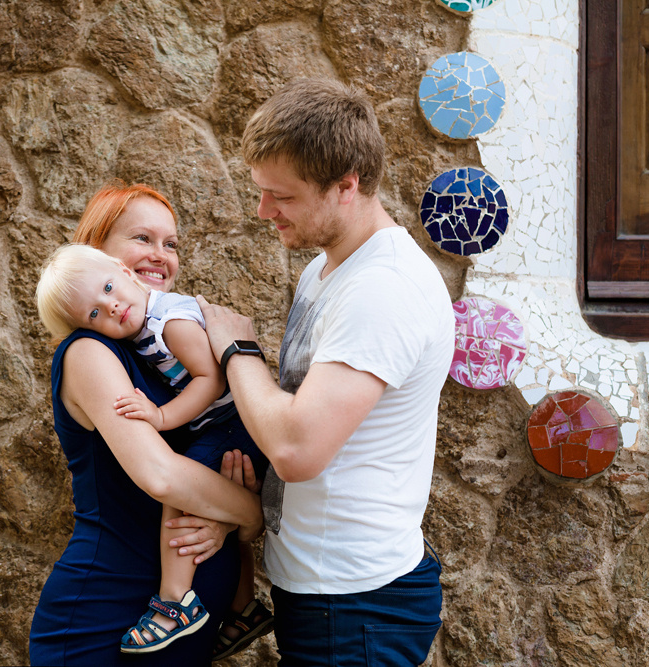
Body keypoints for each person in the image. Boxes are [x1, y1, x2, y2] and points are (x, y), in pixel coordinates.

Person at [194, 79, 455, 666]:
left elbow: (299, 448)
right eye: (261, 191)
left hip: (356, 607)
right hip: (324, 592)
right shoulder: (326, 268)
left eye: (281, 196)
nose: (263, 212)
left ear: (347, 186)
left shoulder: (382, 290)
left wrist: (239, 352)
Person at [28, 183, 266, 666]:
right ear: (99, 252)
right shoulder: (90, 351)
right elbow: (163, 476)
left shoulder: (157, 341)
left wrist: (221, 522)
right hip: (110, 615)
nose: (160, 256)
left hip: (181, 630)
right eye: (142, 238)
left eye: (170, 243)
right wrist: (248, 516)